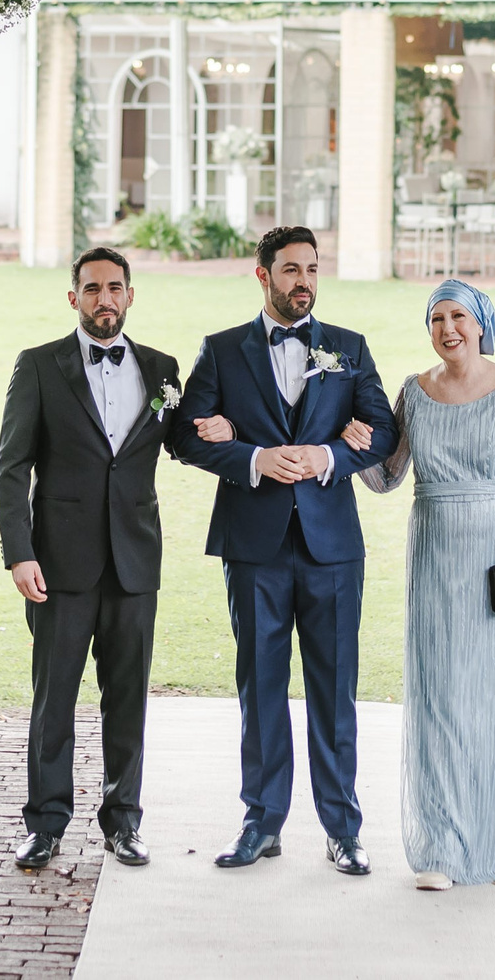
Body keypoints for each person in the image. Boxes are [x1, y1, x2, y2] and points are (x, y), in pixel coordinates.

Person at [169, 225, 394, 877]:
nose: (304, 281)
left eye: (312, 269)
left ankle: (343, 829)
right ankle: (260, 822)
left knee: (334, 691)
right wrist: (254, 456)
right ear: (262, 274)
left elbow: (381, 428)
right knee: (261, 689)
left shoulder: (346, 348)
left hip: (332, 549)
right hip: (254, 546)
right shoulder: (221, 351)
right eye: (291, 269)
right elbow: (184, 435)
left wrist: (328, 453)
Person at [348, 278, 495, 892]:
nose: (448, 329)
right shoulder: (413, 394)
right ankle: (439, 844)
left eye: (458, 316)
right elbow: (389, 478)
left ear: (481, 323)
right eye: (437, 319)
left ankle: (493, 836)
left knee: (494, 703)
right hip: (436, 562)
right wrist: (357, 446)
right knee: (440, 700)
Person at [0, 246, 182, 873]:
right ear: (74, 297)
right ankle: (45, 825)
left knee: (127, 699)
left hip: (134, 565)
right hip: (59, 566)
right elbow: (12, 466)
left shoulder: (163, 370)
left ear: (131, 296)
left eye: (116, 288)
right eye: (93, 288)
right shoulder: (40, 366)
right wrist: (19, 554)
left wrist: (241, 444)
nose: (105, 299)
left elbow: (185, 440)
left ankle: (123, 822)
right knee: (54, 701)